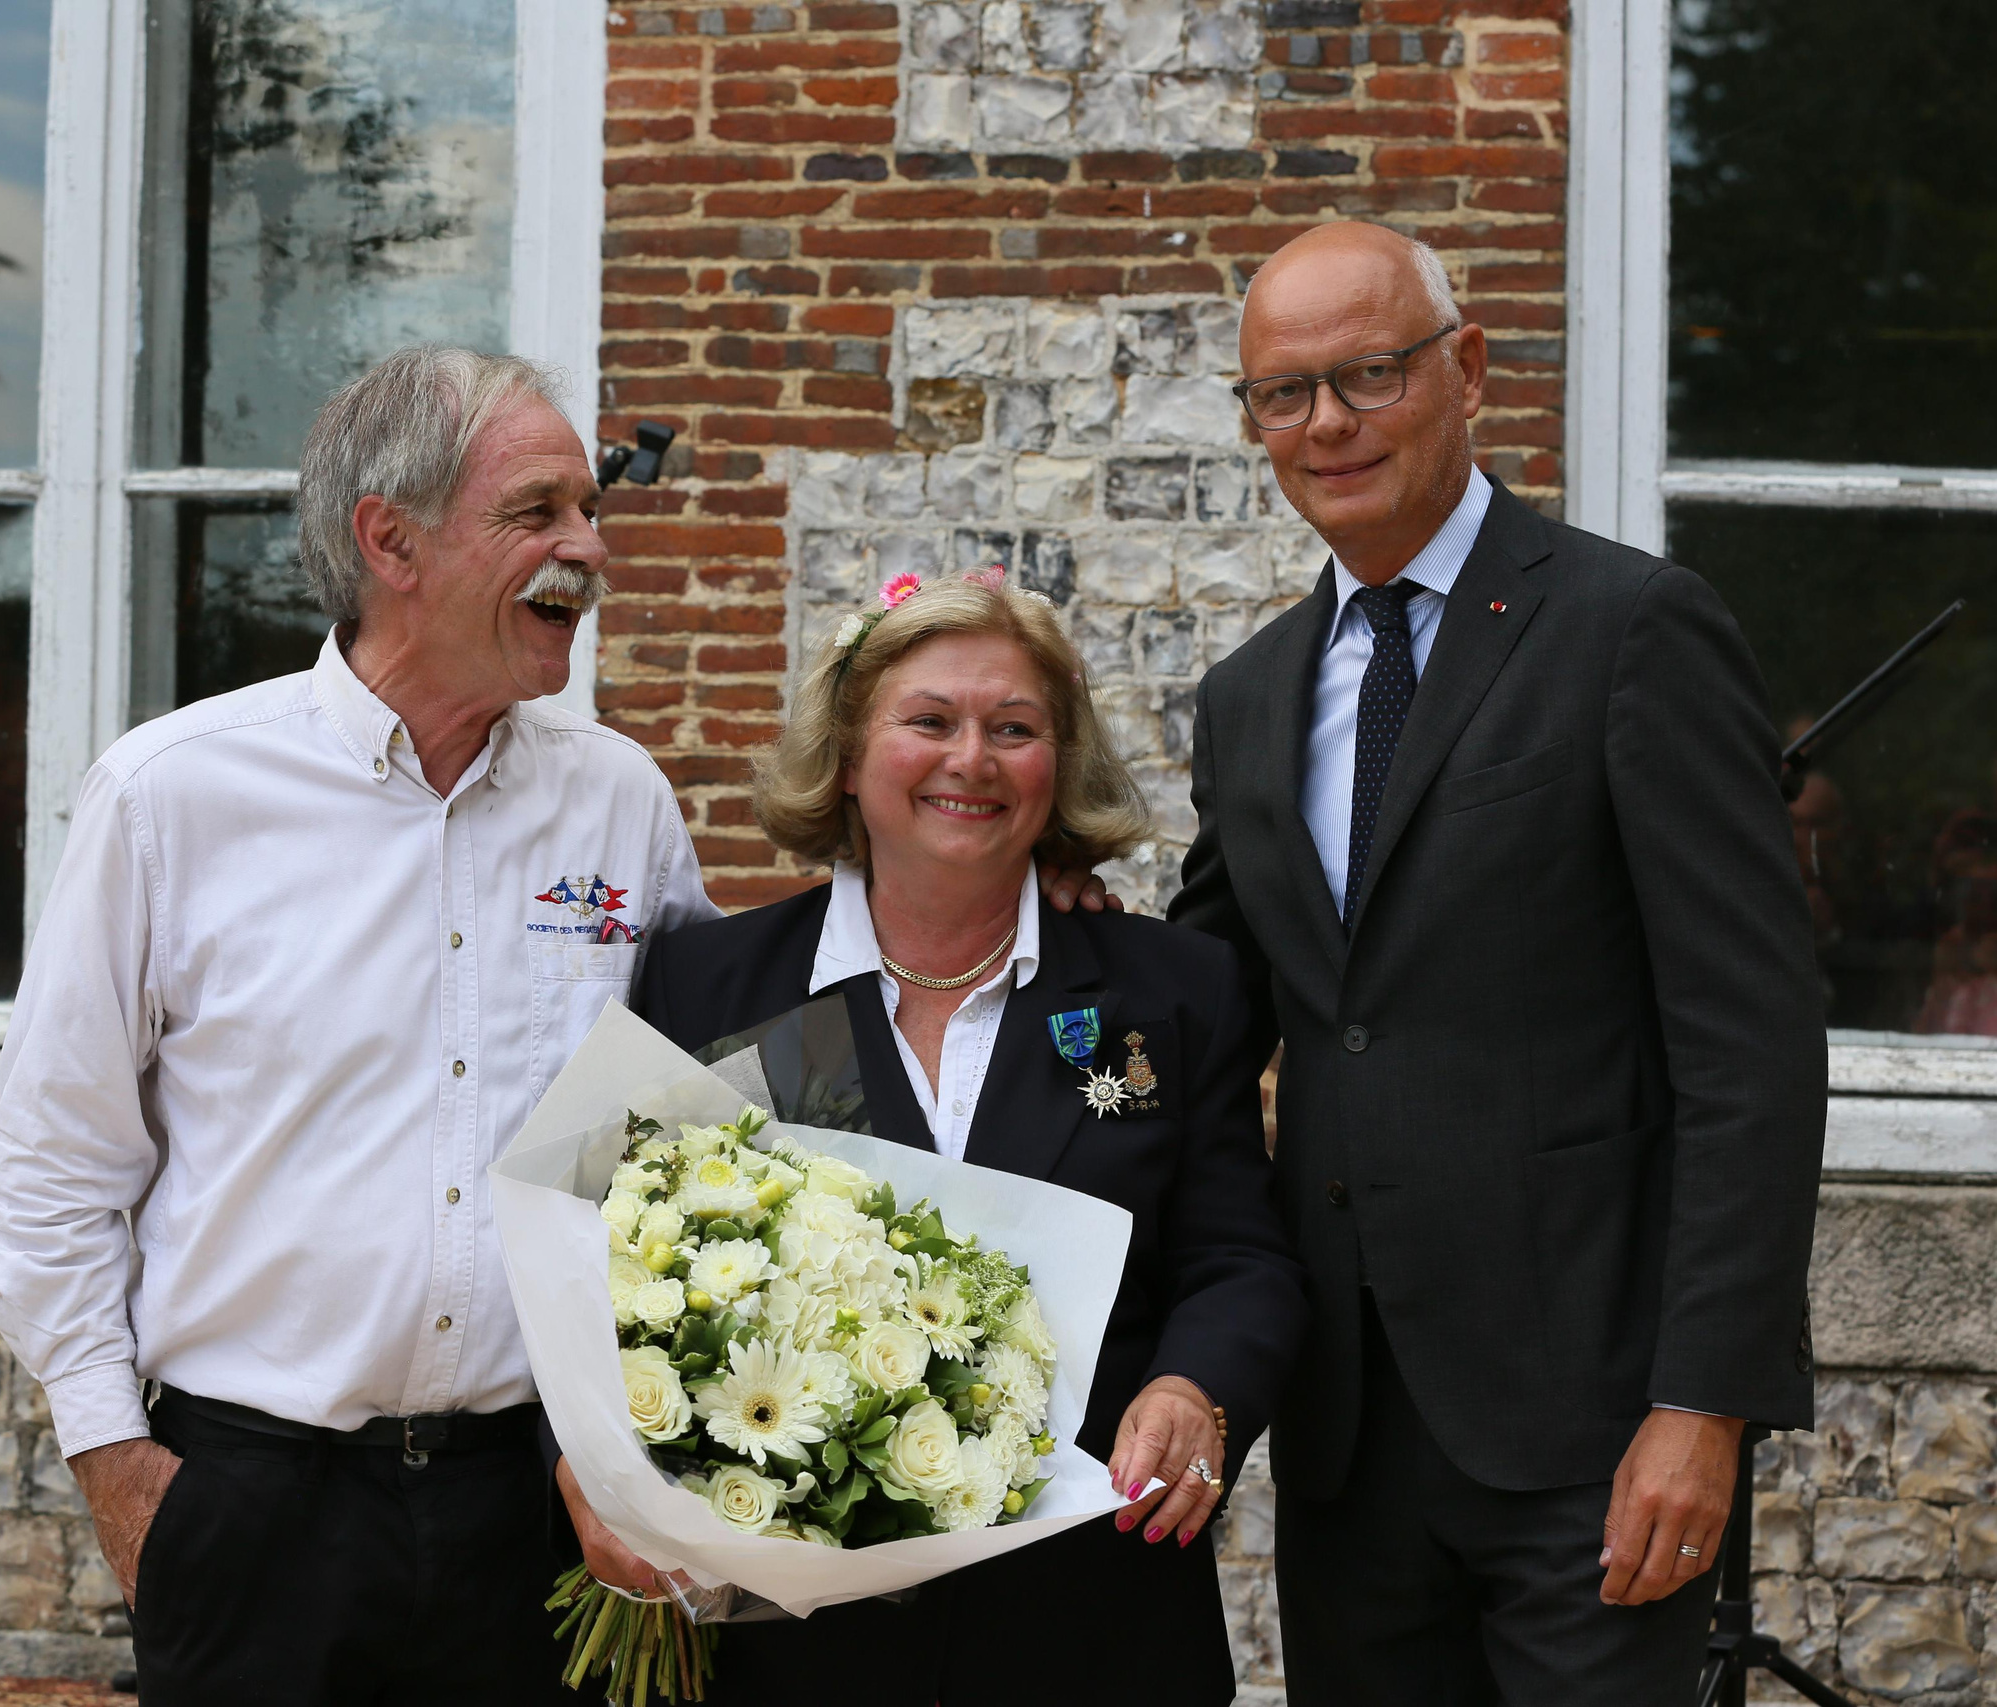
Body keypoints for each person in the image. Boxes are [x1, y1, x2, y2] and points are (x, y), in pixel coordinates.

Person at [0, 347, 723, 1704]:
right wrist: (120, 1469)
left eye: (588, 510)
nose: (588, 548)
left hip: (533, 1499)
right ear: (393, 538)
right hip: (256, 1508)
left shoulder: (618, 799)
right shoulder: (170, 795)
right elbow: (48, 1171)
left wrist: (1029, 886)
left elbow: (698, 1113)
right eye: (538, 512)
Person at [1168, 220, 1829, 1704]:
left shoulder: (1632, 629)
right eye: (1285, 391)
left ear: (1465, 368)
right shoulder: (1249, 698)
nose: (1327, 423)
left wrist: (1702, 1401)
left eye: (1370, 373)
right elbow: (1200, 1005)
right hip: (1349, 1435)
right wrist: (995, 907)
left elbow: (1753, 1047)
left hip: (1592, 1426)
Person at [563, 571, 1308, 1705]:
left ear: (1055, 767)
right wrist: (595, 1469)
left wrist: (1198, 1390)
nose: (973, 759)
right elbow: (587, 1262)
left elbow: (1237, 1259)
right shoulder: (707, 980)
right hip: (785, 1639)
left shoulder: (1169, 986)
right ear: (848, 755)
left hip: (1088, 1622)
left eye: (1014, 729)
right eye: (928, 722)